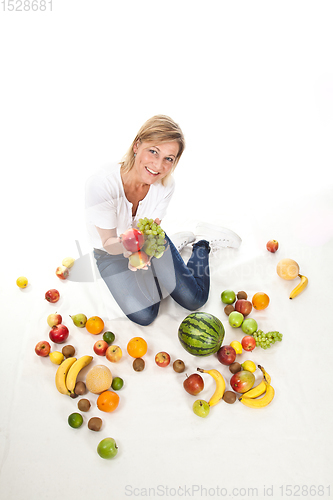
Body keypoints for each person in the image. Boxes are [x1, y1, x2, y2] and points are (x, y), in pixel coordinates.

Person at [85, 115, 241, 326]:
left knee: (194, 300)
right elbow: (108, 243)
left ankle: (202, 243)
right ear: (137, 145)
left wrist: (145, 254)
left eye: (169, 158)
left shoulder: (165, 185)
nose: (158, 166)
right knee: (146, 314)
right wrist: (133, 255)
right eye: (153, 151)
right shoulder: (102, 184)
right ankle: (175, 246)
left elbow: (148, 230)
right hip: (110, 252)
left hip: (146, 239)